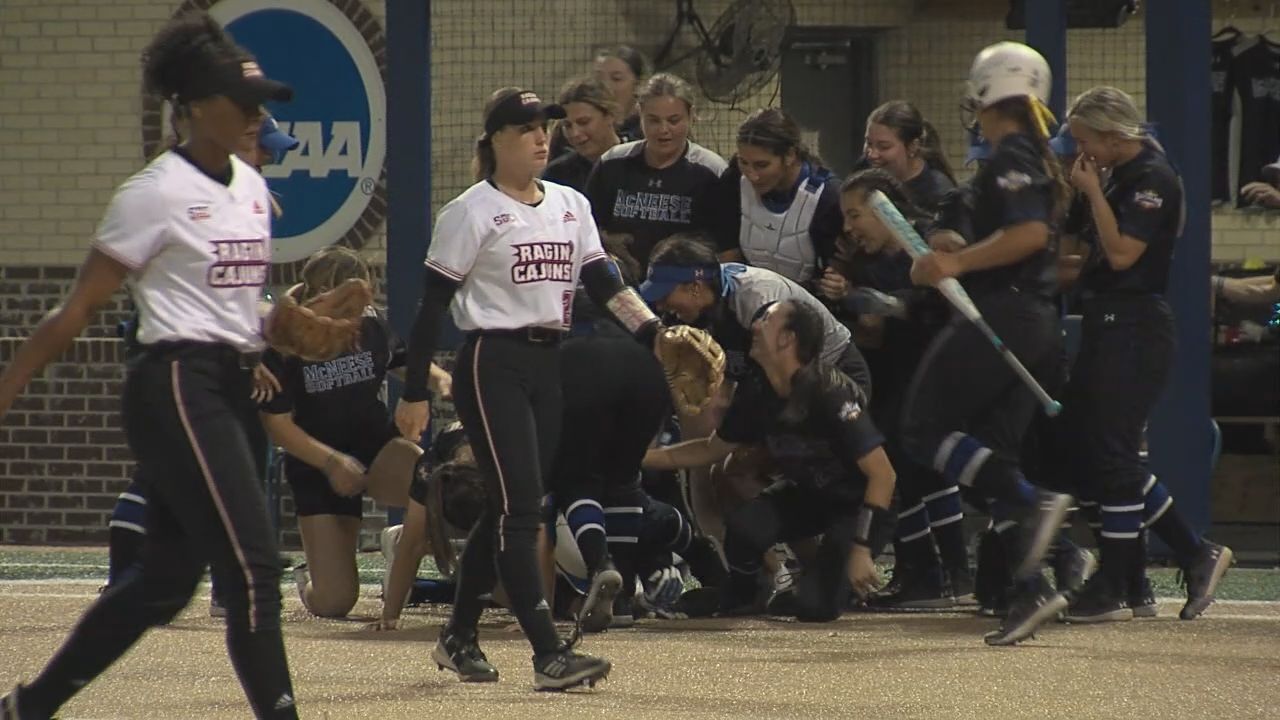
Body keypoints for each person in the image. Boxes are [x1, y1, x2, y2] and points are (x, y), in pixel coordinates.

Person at [0, 13, 299, 718]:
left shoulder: (251, 189)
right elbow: (77, 309)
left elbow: (233, 305)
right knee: (253, 568)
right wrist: (8, 388)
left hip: (228, 385)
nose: (256, 115)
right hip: (175, 384)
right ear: (192, 106)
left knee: (165, 582)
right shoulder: (154, 192)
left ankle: (27, 708)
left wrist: (282, 324)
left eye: (259, 102)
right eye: (240, 100)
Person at [393, 86, 675, 691]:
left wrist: (654, 333)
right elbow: (431, 308)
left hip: (550, 363)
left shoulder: (571, 203)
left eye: (544, 126)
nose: (541, 137)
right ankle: (549, 654)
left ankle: (458, 636)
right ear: (495, 140)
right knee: (523, 510)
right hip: (492, 361)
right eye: (525, 128)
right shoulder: (470, 211)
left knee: (509, 507)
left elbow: (604, 282)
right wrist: (414, 391)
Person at [901, 41, 1073, 646]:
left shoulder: (1013, 152)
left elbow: (1028, 234)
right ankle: (1032, 588)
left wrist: (956, 264)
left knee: (922, 430)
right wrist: (955, 251)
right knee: (990, 454)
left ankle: (1033, 503)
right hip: (1032, 318)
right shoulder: (1029, 155)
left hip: (1007, 313)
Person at [1057, 86, 1234, 622]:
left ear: (1113, 135)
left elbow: (1121, 253)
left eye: (1087, 140)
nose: (1082, 152)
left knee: (1112, 453)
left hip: (1136, 326)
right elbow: (1077, 250)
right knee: (1088, 448)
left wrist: (1092, 191)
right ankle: (1167, 563)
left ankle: (1123, 578)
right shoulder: (1114, 174)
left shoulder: (1153, 177)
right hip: (1105, 321)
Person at [642, 299, 895, 621]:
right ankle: (745, 594)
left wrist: (861, 547)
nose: (756, 325)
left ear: (787, 339)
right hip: (812, 496)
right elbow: (710, 449)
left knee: (815, 608)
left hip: (858, 506)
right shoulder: (757, 391)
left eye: (767, 320)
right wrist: (639, 457)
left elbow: (883, 476)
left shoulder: (830, 392)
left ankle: (821, 585)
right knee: (744, 527)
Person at [258, 246, 450, 618]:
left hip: (374, 445)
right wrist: (331, 463)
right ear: (320, 297)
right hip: (316, 461)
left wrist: (441, 380)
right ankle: (310, 576)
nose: (355, 316)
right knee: (334, 601)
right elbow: (277, 426)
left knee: (437, 487)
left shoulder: (371, 325)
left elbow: (405, 362)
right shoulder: (286, 341)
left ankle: (404, 538)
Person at [640, 234, 873, 541]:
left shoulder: (759, 304)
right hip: (779, 386)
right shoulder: (707, 302)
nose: (660, 304)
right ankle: (784, 564)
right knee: (727, 473)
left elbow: (778, 381)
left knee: (744, 470)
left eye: (664, 294)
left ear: (695, 287)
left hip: (833, 378)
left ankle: (833, 553)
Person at [817, 170, 974, 609]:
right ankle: (921, 573)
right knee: (899, 468)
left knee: (930, 468)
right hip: (893, 372)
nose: (849, 226)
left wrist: (887, 302)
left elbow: (938, 304)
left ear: (884, 209)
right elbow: (871, 334)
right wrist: (848, 296)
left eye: (855, 215)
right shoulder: (862, 259)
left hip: (938, 369)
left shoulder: (924, 242)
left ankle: (956, 574)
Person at [584, 73, 728, 271]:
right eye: (653, 120)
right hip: (620, 281)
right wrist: (607, 243)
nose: (663, 129)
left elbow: (728, 250)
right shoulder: (612, 163)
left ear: (691, 116)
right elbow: (585, 227)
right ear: (640, 114)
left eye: (673, 120)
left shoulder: (711, 171)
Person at [713, 108, 844, 286]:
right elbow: (727, 253)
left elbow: (837, 272)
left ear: (789, 155)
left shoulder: (827, 197)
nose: (752, 175)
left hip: (809, 298)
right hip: (750, 292)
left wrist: (837, 284)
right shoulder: (734, 180)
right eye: (743, 162)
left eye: (762, 165)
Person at [861, 100, 957, 212]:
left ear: (912, 146)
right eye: (869, 143)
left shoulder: (940, 193)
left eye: (884, 147)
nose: (872, 154)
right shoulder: (865, 168)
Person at [543, 78, 623, 192]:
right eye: (567, 125)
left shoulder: (640, 162)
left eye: (584, 122)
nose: (575, 133)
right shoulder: (557, 174)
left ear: (609, 116)